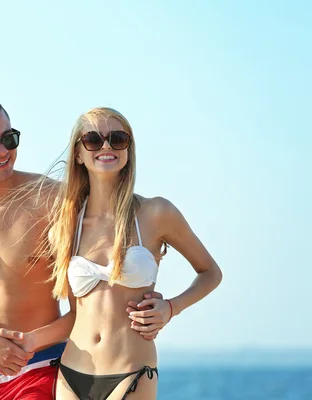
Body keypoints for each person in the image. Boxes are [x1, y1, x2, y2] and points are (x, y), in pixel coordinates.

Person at [0, 93, 161, 400]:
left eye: (10, 138)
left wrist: (157, 303)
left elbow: (96, 290)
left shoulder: (53, 201)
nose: (3, 151)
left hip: (45, 367)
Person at [44, 107, 223, 400]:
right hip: (72, 371)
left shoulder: (155, 213)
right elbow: (76, 311)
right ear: (78, 153)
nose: (106, 147)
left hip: (131, 371)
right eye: (93, 139)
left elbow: (211, 273)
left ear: (128, 149)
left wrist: (171, 308)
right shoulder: (66, 226)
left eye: (117, 138)